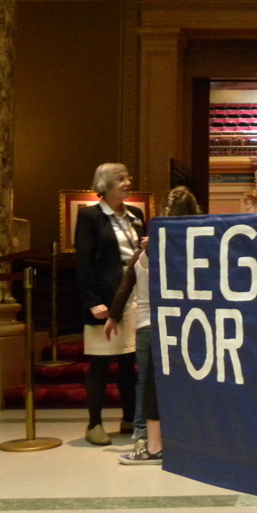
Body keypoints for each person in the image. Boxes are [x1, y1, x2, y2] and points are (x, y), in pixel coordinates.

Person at [105, 186, 203, 464]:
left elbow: (125, 287)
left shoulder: (148, 251)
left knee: (148, 385)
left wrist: (113, 317)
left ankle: (146, 438)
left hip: (152, 325)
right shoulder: (197, 248)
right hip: (187, 326)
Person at [75, 163, 147, 445]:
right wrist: (93, 303)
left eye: (128, 177)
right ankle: (94, 424)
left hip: (135, 299)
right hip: (105, 301)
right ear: (105, 184)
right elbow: (83, 264)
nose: (128, 182)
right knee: (101, 364)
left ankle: (129, 417)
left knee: (130, 362)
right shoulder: (90, 216)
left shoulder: (136, 215)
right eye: (121, 179)